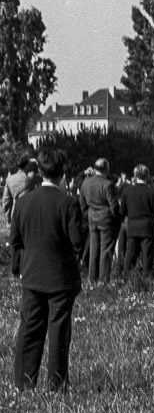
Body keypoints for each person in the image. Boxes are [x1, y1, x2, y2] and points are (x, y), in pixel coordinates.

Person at [10, 146, 84, 392]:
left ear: (39, 171)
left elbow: (16, 241)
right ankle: (57, 384)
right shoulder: (68, 203)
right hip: (61, 277)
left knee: (29, 329)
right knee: (58, 332)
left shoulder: (23, 203)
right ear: (62, 173)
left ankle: (23, 382)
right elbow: (78, 242)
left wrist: (17, 269)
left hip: (31, 274)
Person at [79, 157, 120, 283]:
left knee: (94, 250)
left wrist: (87, 214)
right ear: (106, 169)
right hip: (106, 219)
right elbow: (114, 206)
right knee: (106, 250)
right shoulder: (108, 184)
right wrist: (117, 217)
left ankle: (92, 278)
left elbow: (82, 201)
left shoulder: (86, 182)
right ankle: (103, 280)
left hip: (92, 218)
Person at [120, 164, 154, 276]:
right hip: (147, 227)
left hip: (132, 225)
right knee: (147, 255)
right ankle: (146, 277)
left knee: (130, 254)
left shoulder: (127, 191)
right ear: (147, 176)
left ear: (135, 175)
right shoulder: (152, 192)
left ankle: (126, 276)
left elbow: (122, 211)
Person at [4, 155, 39, 276]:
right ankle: (27, 269)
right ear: (27, 165)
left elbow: (6, 202)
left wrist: (8, 219)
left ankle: (15, 269)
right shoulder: (31, 177)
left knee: (15, 241)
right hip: (29, 211)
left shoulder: (10, 179)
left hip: (15, 212)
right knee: (28, 240)